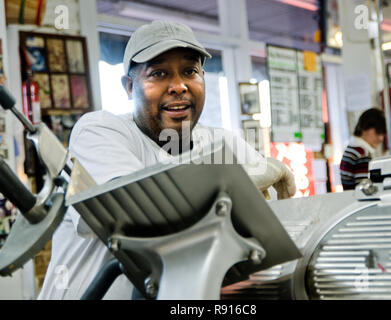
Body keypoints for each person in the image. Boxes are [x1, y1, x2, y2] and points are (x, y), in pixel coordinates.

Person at [38, 20, 296, 300]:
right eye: (159, 73)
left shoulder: (224, 143)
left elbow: (270, 241)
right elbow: (137, 210)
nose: (178, 86)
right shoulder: (99, 131)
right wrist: (235, 184)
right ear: (128, 86)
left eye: (190, 71)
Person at [340, 108, 386, 190]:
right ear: (365, 127)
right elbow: (364, 191)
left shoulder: (351, 148)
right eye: (378, 132)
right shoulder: (362, 154)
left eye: (383, 134)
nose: (381, 138)